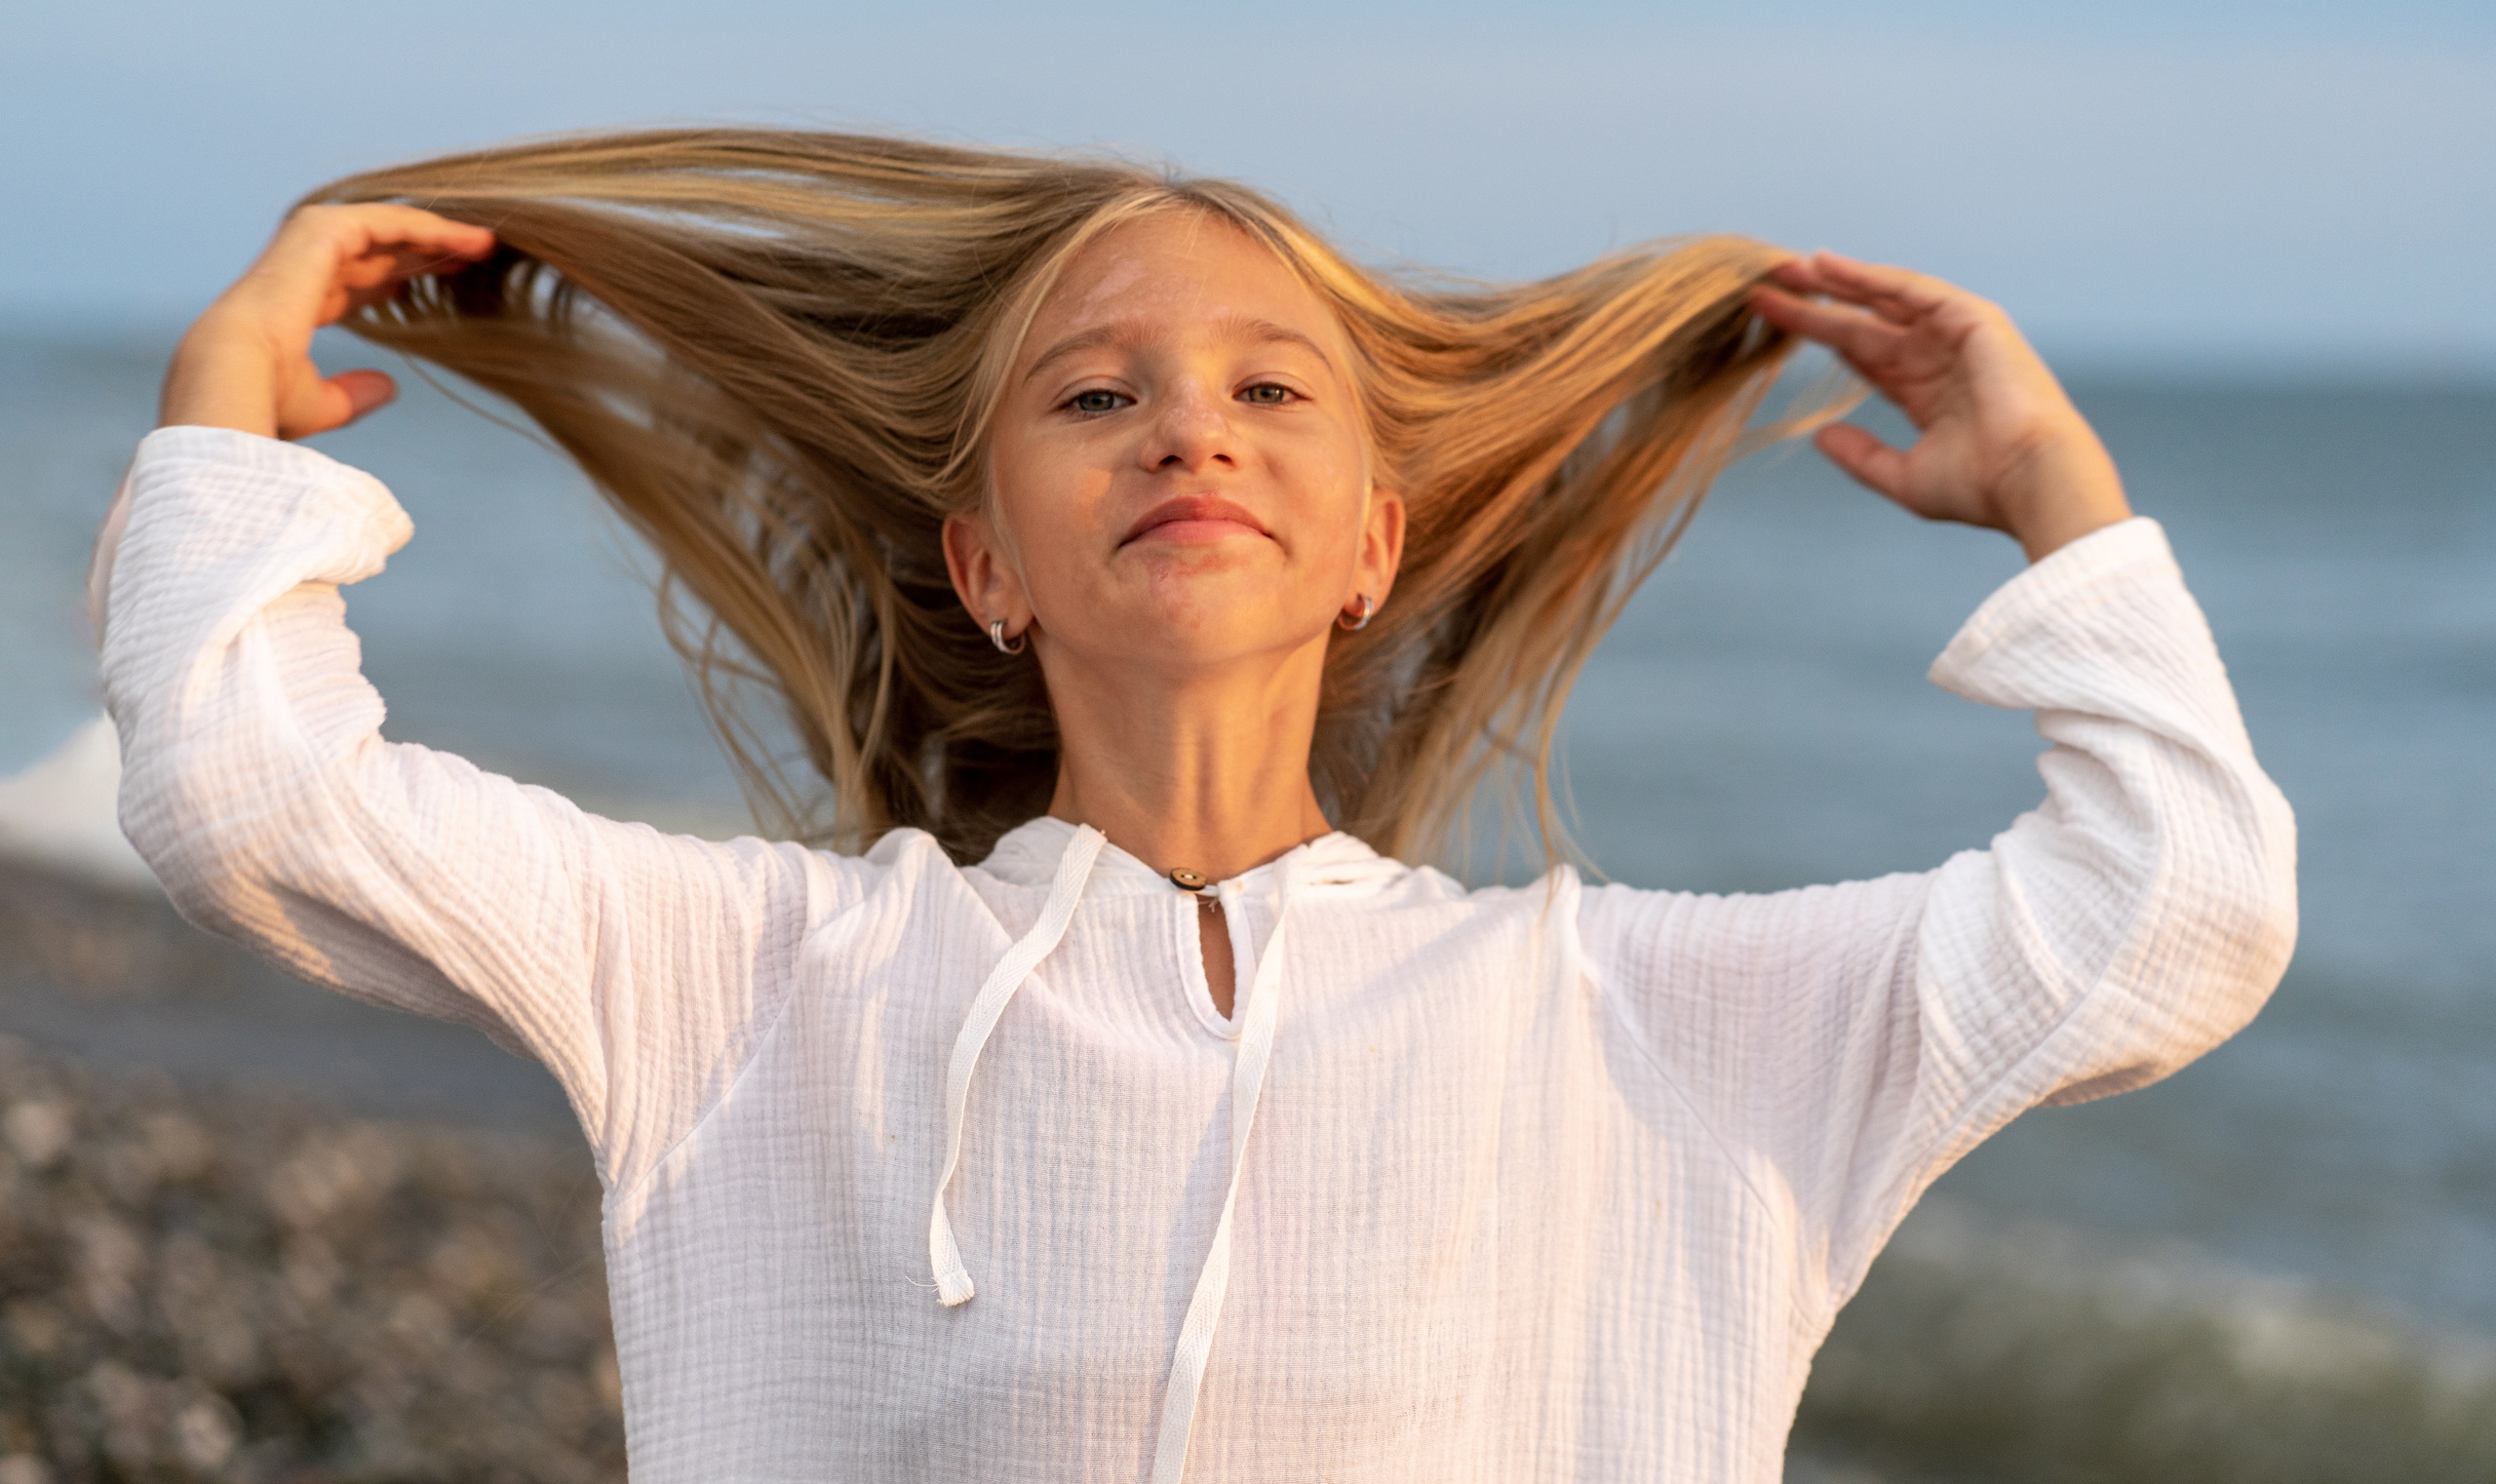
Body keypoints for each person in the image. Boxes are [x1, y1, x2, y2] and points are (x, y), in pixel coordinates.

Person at [98, 130, 2296, 1483]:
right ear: (988, 563)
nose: (1188, 430)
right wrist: (221, 418)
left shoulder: (1631, 1017)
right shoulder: (757, 982)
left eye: (1266, 386)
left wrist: (2056, 493)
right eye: (1094, 394)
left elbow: (2176, 914)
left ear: (1367, 546)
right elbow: (244, 796)